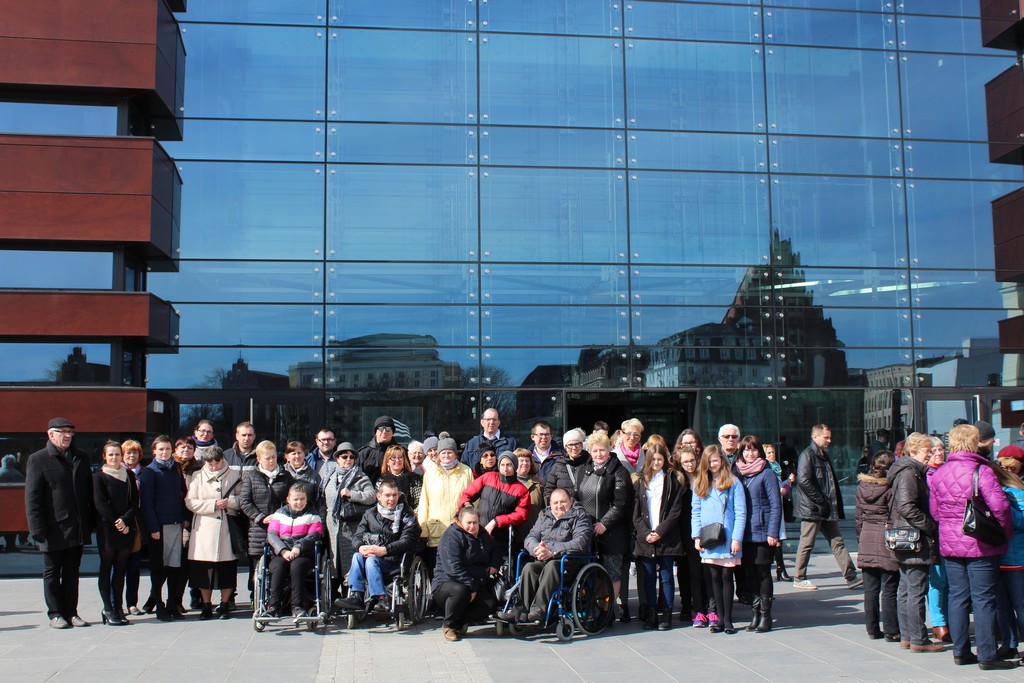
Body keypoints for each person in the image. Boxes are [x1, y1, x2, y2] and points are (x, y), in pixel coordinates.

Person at [929, 424, 1016, 671]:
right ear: (974, 443)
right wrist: (1004, 533)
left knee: (957, 597)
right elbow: (1000, 507)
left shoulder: (940, 472)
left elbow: (935, 511)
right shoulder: (981, 470)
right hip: (980, 542)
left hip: (950, 543)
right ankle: (987, 655)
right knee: (984, 599)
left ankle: (961, 651)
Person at [25, 417, 95, 629]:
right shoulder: (38, 459)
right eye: (62, 431)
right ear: (51, 434)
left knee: (72, 572)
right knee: (52, 573)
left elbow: (88, 492)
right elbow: (32, 498)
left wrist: (91, 522)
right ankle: (55, 614)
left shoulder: (81, 457)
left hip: (77, 526)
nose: (67, 436)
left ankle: (71, 612)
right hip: (52, 527)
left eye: (70, 432)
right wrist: (37, 528)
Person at [497, 488, 594, 625]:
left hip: (569, 561)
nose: (559, 506)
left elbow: (580, 542)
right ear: (550, 504)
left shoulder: (580, 516)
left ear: (571, 501)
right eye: (555, 503)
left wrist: (552, 551)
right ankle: (520, 611)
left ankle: (538, 610)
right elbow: (530, 537)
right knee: (529, 568)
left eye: (563, 502)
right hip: (544, 559)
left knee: (552, 566)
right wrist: (537, 549)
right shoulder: (544, 515)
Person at [889, 433, 943, 653]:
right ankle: (919, 639)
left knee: (906, 589)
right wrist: (930, 527)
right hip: (914, 539)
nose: (930, 454)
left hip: (907, 537)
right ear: (913, 451)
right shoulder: (910, 472)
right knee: (915, 590)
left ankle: (908, 636)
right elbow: (907, 506)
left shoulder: (908, 471)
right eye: (927, 451)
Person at [336, 478, 420, 614]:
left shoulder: (407, 514)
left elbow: (409, 540)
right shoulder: (370, 514)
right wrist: (360, 547)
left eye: (394, 495)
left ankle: (381, 598)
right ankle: (357, 596)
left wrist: (385, 550)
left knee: (371, 560)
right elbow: (357, 536)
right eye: (387, 495)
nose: (392, 499)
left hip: (395, 561)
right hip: (373, 557)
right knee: (357, 556)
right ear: (378, 496)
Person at [792, 424, 861, 590]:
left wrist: (825, 503)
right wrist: (821, 500)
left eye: (829, 437)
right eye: (826, 437)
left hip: (825, 507)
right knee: (807, 543)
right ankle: (799, 578)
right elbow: (804, 481)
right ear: (815, 437)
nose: (829, 440)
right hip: (813, 508)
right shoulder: (808, 455)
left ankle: (851, 576)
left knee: (837, 541)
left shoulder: (822, 455)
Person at [575, 432, 632, 622]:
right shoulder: (583, 470)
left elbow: (621, 504)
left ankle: (607, 611)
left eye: (602, 450)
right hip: (588, 531)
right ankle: (596, 608)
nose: (599, 454)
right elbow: (577, 498)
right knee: (594, 573)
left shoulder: (619, 471)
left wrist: (604, 523)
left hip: (613, 532)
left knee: (612, 573)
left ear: (609, 450)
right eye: (595, 451)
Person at [691, 445, 746, 634]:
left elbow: (741, 512)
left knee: (726, 577)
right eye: (709, 461)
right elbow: (695, 512)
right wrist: (696, 536)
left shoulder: (733, 482)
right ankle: (719, 619)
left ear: (722, 460)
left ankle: (728, 620)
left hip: (728, 537)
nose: (712, 464)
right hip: (708, 538)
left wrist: (737, 538)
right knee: (713, 577)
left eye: (715, 460)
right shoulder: (700, 483)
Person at [185, 445, 242, 620]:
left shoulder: (234, 475)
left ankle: (224, 604)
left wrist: (229, 502)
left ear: (222, 460)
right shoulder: (197, 476)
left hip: (227, 528)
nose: (213, 467)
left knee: (227, 569)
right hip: (204, 529)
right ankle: (206, 605)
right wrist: (212, 505)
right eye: (210, 464)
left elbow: (243, 499)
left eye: (216, 463)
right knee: (204, 570)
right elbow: (190, 502)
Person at [732, 436, 783, 632]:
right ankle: (755, 613)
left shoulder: (767, 472)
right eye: (746, 450)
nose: (750, 454)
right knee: (749, 574)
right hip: (744, 532)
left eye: (753, 450)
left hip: (762, 532)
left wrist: (773, 532)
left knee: (763, 573)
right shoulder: (738, 472)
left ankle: (765, 615)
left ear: (759, 451)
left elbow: (776, 504)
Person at [430, 505, 502, 641]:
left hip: (476, 581)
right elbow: (453, 568)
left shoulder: (483, 534)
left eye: (475, 522)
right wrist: (471, 587)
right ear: (460, 521)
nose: (472, 526)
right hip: (446, 583)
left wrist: (494, 564)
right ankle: (448, 625)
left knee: (490, 604)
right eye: (468, 523)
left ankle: (460, 622)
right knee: (460, 591)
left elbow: (495, 549)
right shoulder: (452, 536)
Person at [634, 444, 685, 630]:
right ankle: (651, 613)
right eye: (653, 459)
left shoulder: (672, 480)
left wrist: (659, 532)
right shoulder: (640, 480)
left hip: (666, 537)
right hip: (646, 537)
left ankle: (667, 614)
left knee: (666, 576)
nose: (656, 463)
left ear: (665, 460)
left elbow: (675, 511)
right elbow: (636, 513)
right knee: (648, 578)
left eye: (660, 459)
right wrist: (646, 533)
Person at [138, 434, 189, 621]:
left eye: (168, 449)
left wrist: (184, 517)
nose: (165, 452)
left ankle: (172, 604)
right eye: (161, 449)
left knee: (175, 566)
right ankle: (159, 605)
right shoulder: (149, 472)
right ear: (154, 451)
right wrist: (153, 528)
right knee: (159, 568)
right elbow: (146, 503)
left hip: (176, 523)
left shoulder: (175, 468)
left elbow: (182, 494)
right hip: (159, 526)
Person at [239, 441, 294, 604]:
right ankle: (256, 599)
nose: (271, 461)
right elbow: (245, 502)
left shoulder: (286, 477)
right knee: (258, 566)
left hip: (281, 528)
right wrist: (261, 517)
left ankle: (279, 600)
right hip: (259, 530)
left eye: (273, 457)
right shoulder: (251, 477)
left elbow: (293, 500)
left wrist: (280, 515)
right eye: (267, 458)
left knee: (280, 564)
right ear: (258, 459)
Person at [92, 440, 140, 626]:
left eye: (117, 454)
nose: (114, 457)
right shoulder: (99, 477)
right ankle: (108, 608)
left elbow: (134, 502)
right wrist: (117, 522)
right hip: (107, 529)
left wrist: (126, 520)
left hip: (126, 528)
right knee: (106, 568)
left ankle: (118, 607)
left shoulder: (128, 475)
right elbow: (100, 504)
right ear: (104, 457)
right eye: (110, 454)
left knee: (121, 569)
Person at [855, 451, 900, 643]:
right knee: (889, 587)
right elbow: (894, 515)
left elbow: (858, 517)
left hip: (867, 535)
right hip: (885, 537)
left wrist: (861, 536)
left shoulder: (861, 487)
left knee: (870, 589)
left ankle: (872, 628)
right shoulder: (890, 487)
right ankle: (891, 630)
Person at [265, 483, 323, 621]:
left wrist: (298, 547)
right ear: (288, 500)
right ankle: (273, 606)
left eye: (302, 499)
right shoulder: (279, 514)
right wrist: (283, 550)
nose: (299, 502)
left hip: (303, 553)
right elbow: (271, 535)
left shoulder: (313, 515)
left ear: (306, 499)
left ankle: (297, 606)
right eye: (295, 499)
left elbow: (315, 535)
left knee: (297, 567)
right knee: (278, 567)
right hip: (282, 551)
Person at [322, 441, 375, 592]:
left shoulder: (360, 476)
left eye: (352, 457)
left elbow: (372, 496)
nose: (348, 460)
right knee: (334, 563)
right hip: (332, 527)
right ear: (337, 458)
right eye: (344, 456)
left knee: (349, 563)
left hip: (352, 526)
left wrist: (352, 494)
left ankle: (350, 595)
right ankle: (333, 596)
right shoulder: (330, 477)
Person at [417, 435, 474, 567]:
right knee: (437, 569)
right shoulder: (430, 474)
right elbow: (424, 503)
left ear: (455, 454)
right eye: (443, 452)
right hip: (436, 530)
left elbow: (473, 501)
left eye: (450, 452)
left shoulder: (466, 471)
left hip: (460, 529)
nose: (446, 455)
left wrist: (472, 524)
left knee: (459, 568)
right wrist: (423, 529)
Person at [458, 451, 530, 552]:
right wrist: (468, 508)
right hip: (477, 529)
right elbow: (466, 495)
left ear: (515, 466)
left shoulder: (521, 490)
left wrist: (497, 521)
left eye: (509, 465)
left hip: (500, 535)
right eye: (502, 465)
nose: (505, 468)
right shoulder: (488, 477)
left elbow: (521, 515)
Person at [674, 444, 709, 626]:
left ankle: (703, 606)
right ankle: (687, 605)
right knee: (686, 569)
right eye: (685, 462)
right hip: (683, 529)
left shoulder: (703, 477)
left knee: (701, 570)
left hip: (702, 528)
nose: (689, 464)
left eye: (692, 461)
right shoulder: (678, 480)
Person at [994, 460, 1024, 660]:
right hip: (995, 558)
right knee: (1001, 606)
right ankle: (1009, 643)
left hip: (1016, 558)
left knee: (1021, 605)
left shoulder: (1015, 493)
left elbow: (1021, 521)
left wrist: (1002, 505)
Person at [172, 436, 202, 611]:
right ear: (176, 450)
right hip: (174, 518)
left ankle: (195, 595)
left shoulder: (200, 468)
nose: (186, 450)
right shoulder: (171, 467)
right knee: (178, 562)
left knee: (193, 561)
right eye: (182, 447)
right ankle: (175, 598)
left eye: (190, 447)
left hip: (195, 519)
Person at [926, 435, 950, 643]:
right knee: (937, 579)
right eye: (934, 450)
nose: (939, 453)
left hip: (951, 532)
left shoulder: (948, 471)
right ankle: (938, 621)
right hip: (935, 532)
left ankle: (949, 620)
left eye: (941, 449)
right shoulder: (927, 475)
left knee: (950, 580)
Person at [119, 439, 146, 616]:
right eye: (128, 452)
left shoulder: (145, 473)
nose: (131, 455)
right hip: (120, 523)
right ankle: (116, 604)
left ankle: (132, 604)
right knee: (118, 568)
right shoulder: (116, 472)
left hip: (138, 524)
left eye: (135, 452)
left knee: (134, 567)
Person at [764, 441, 794, 580]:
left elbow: (782, 489)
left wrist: (788, 483)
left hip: (778, 505)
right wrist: (784, 486)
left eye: (773, 452)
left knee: (779, 539)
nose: (772, 455)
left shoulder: (777, 468)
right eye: (769, 453)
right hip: (770, 508)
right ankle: (778, 569)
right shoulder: (766, 469)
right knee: (774, 538)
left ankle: (780, 569)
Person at [544, 428, 590, 503]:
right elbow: (549, 490)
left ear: (582, 445)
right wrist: (554, 506)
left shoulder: (590, 463)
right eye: (570, 445)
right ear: (565, 447)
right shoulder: (559, 465)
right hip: (564, 509)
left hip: (586, 509)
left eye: (577, 444)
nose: (574, 448)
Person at [513, 448, 544, 552]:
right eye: (521, 460)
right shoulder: (508, 483)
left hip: (534, 532)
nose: (525, 463)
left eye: (527, 460)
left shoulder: (539, 484)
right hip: (514, 533)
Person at [283, 440, 324, 519]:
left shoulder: (314, 475)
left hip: (308, 518)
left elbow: (320, 502)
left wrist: (320, 521)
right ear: (287, 456)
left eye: (299, 453)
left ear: (304, 454)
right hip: (285, 519)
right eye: (293, 453)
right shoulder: (281, 473)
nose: (297, 456)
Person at [379, 444, 422, 510]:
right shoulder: (381, 480)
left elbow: (420, 502)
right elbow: (380, 503)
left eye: (400, 457)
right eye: (393, 458)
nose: (397, 460)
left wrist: (411, 514)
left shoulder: (413, 478)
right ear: (387, 461)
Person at [359, 416, 397, 484]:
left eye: (388, 428)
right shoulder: (364, 453)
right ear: (376, 432)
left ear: (392, 432)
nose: (384, 431)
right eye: (381, 428)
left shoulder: (401, 452)